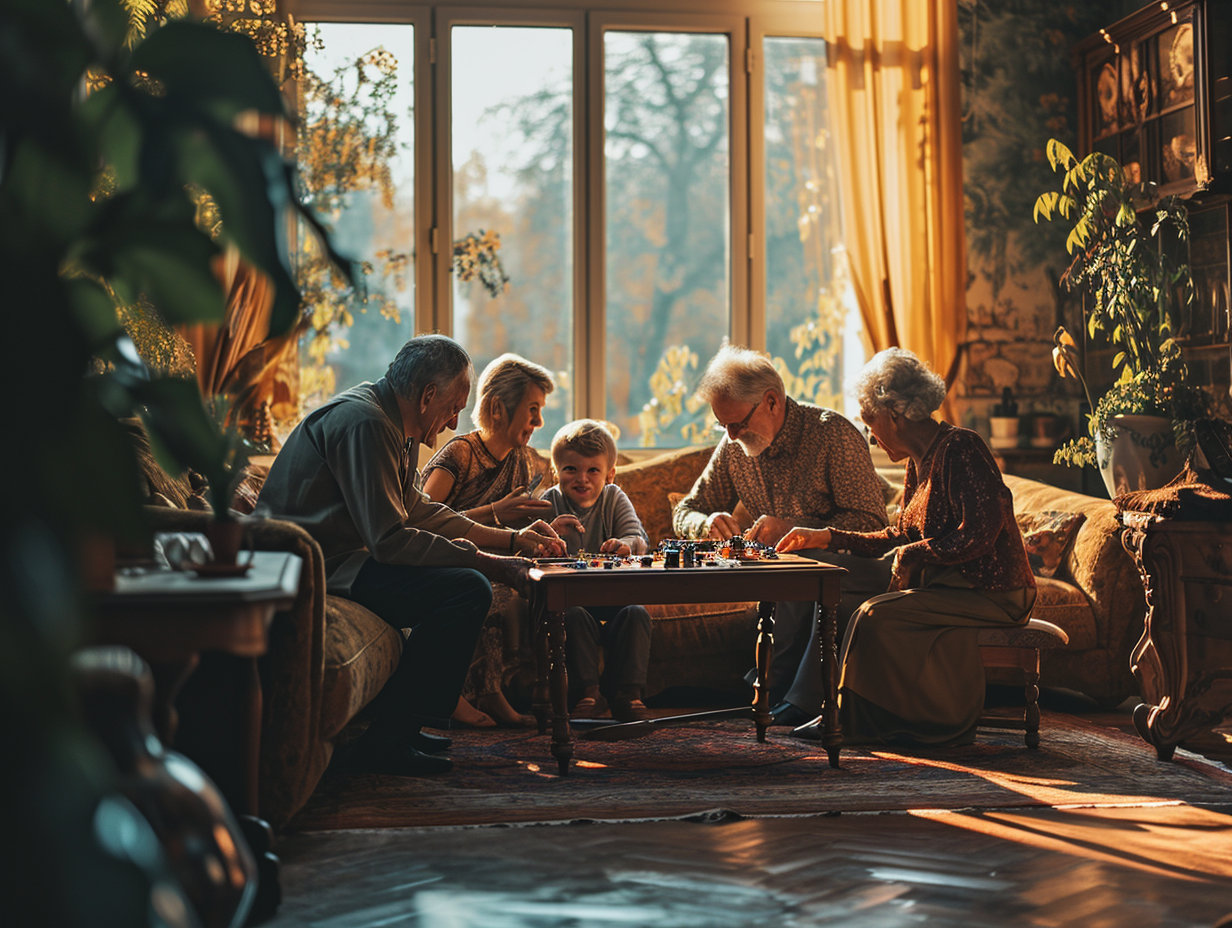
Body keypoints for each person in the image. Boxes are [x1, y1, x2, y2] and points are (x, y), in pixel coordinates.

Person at [256, 335, 565, 777]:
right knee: (465, 590)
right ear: (427, 397)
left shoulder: (389, 421)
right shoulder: (367, 423)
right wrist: (486, 562)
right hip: (315, 566)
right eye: (454, 407)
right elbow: (391, 540)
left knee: (466, 582)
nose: (455, 421)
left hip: (345, 558)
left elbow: (419, 510)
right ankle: (388, 739)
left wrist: (510, 541)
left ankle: (401, 728)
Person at [778, 347, 1037, 746]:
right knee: (844, 603)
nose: (871, 437)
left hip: (994, 592)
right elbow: (900, 537)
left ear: (894, 414)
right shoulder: (919, 462)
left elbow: (981, 533)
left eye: (870, 422)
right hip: (951, 586)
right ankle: (838, 709)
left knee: (874, 614)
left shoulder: (961, 448)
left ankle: (859, 720)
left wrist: (914, 554)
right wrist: (828, 537)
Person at [671, 344, 889, 726]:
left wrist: (795, 527)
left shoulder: (832, 435)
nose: (732, 434)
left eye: (737, 423)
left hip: (854, 567)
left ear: (772, 401)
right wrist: (705, 524)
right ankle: (777, 694)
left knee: (798, 567)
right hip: (796, 572)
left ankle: (779, 692)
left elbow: (872, 526)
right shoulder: (733, 447)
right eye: (722, 425)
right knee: (790, 568)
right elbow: (685, 510)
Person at [421, 353, 557, 728]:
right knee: (492, 588)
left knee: (541, 585)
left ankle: (510, 690)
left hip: (493, 560)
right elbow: (422, 525)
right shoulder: (460, 453)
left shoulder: (523, 461)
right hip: (443, 562)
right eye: (532, 409)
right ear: (498, 408)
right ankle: (469, 694)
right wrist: (496, 513)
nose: (539, 422)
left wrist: (545, 528)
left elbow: (519, 523)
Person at [542, 419, 653, 723]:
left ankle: (629, 694)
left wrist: (626, 544)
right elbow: (527, 548)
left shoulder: (614, 497)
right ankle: (590, 692)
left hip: (613, 594)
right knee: (572, 615)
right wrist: (548, 535)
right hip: (571, 597)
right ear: (556, 472)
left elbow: (638, 539)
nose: (582, 479)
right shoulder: (548, 502)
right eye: (570, 469)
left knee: (636, 614)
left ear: (610, 474)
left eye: (593, 470)